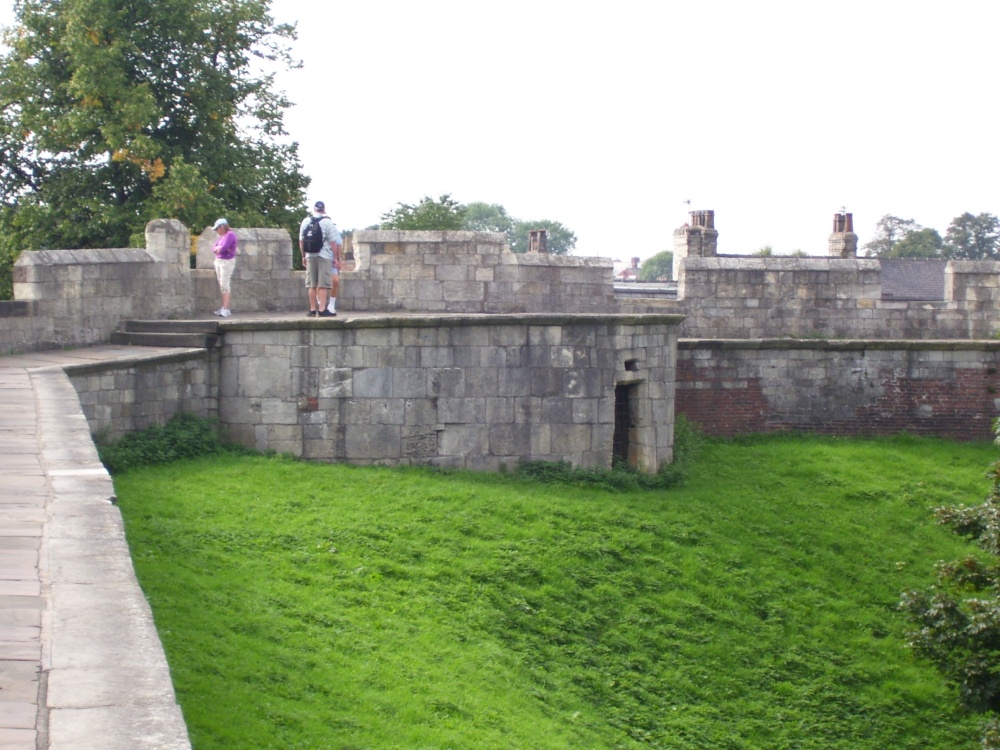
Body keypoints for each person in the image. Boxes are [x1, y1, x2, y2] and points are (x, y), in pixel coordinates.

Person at [298, 201, 343, 317]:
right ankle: (322, 309)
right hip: (324, 256)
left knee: (312, 284)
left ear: (314, 209)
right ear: (323, 210)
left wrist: (303, 256)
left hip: (310, 255)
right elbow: (333, 243)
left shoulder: (306, 221)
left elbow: (301, 241)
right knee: (323, 284)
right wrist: (336, 258)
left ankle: (312, 310)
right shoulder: (327, 222)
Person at [211, 218, 237, 317]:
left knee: (224, 285)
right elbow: (213, 248)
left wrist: (219, 249)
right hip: (219, 261)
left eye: (217, 229)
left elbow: (224, 248)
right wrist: (217, 248)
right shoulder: (222, 236)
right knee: (222, 285)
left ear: (222, 227)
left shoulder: (230, 235)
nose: (216, 231)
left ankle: (226, 309)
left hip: (226, 262)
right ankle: (224, 307)